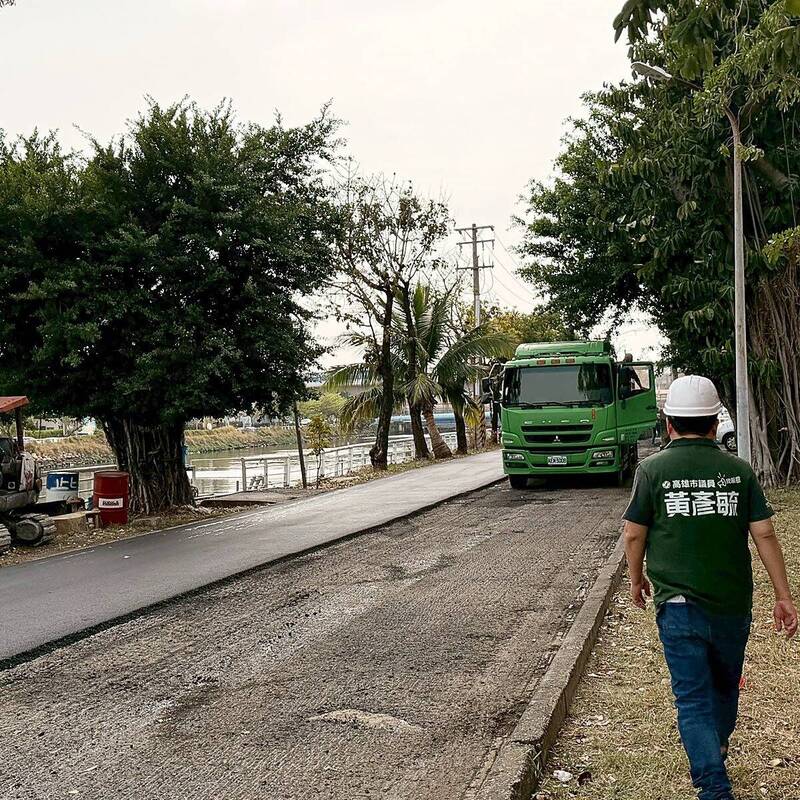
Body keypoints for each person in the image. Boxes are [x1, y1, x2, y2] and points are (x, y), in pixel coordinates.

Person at [623, 375, 797, 800]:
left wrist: (635, 579)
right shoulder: (738, 471)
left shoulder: (652, 471)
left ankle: (712, 780)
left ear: (668, 423)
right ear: (715, 423)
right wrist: (783, 596)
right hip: (731, 605)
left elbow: (633, 533)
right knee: (724, 686)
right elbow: (765, 533)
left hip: (677, 606)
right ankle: (714, 759)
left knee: (692, 698)